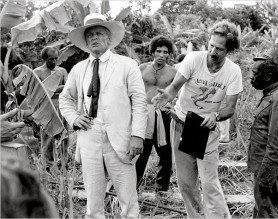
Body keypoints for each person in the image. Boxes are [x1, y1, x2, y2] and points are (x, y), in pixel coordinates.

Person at [59, 13, 147, 218]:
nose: (94, 38)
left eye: (99, 33)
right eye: (89, 35)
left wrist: (137, 135)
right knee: (93, 202)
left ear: (109, 39)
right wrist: (74, 118)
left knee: (128, 201)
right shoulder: (79, 69)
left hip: (121, 140)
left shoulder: (127, 65)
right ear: (85, 41)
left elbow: (140, 101)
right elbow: (65, 99)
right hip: (89, 139)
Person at [152, 20, 243, 218]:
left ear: (229, 50)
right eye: (211, 45)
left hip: (205, 130)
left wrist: (216, 115)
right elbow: (175, 87)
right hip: (181, 125)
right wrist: (166, 96)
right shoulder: (194, 59)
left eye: (219, 49)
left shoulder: (233, 72)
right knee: (186, 183)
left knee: (209, 182)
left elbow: (229, 108)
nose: (213, 51)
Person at [248, 49, 278, 218]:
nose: (251, 77)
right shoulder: (272, 94)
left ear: (268, 76)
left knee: (271, 214)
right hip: (269, 171)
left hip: (272, 172)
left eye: (254, 73)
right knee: (265, 212)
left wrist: (265, 180)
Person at [135, 36, 176, 191]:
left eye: (165, 52)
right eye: (158, 51)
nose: (161, 55)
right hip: (144, 113)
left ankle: (162, 187)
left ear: (169, 54)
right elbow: (133, 90)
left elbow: (178, 92)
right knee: (142, 151)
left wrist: (171, 106)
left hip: (163, 114)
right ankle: (134, 186)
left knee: (165, 152)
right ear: (152, 52)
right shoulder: (142, 68)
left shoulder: (173, 72)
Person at [33, 46, 68, 165]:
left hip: (61, 108)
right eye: (50, 59)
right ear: (44, 59)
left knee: (63, 135)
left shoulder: (62, 71)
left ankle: (64, 163)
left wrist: (52, 90)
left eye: (55, 59)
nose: (54, 62)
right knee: (47, 138)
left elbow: (68, 89)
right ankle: (46, 165)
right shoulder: (37, 72)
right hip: (46, 109)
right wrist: (58, 88)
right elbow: (38, 92)